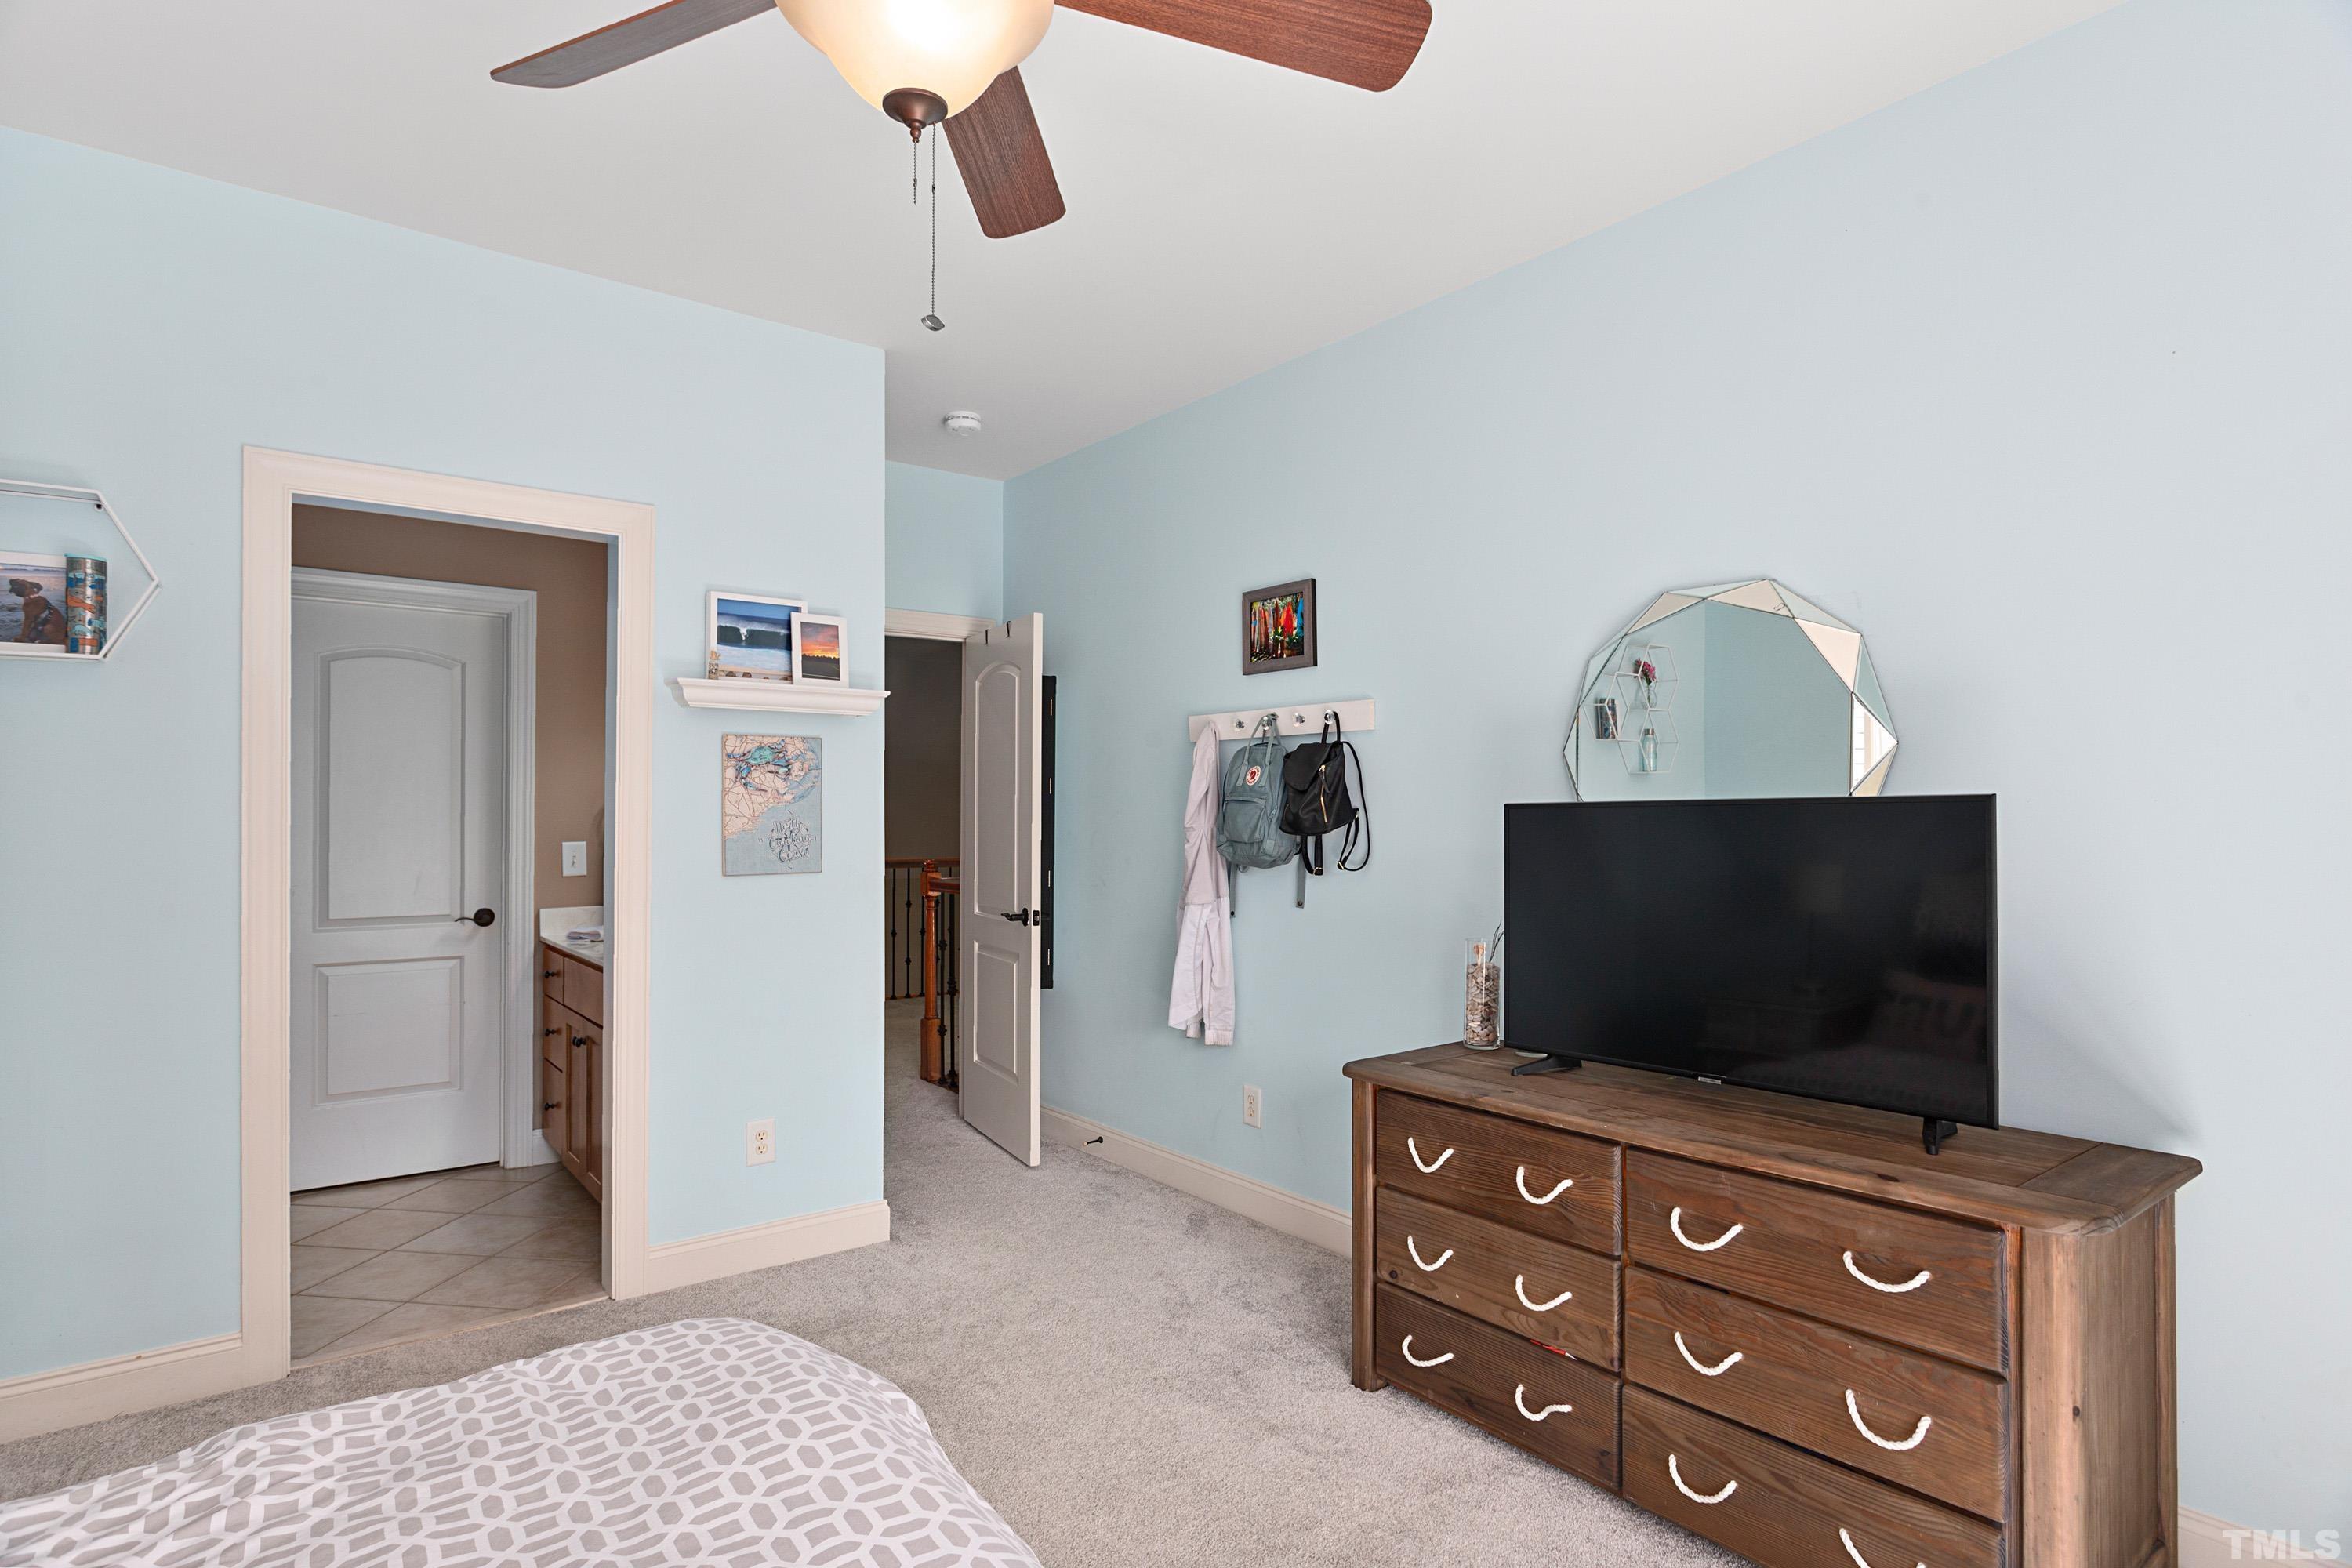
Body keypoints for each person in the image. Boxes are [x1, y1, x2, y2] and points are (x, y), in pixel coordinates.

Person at [9, 578, 66, 645]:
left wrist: (22, 637)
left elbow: (28, 622)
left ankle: (53, 642)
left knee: (32, 622)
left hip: (54, 630)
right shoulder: (38, 599)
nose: (17, 588)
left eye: (22, 587)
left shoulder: (32, 603)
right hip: (47, 624)